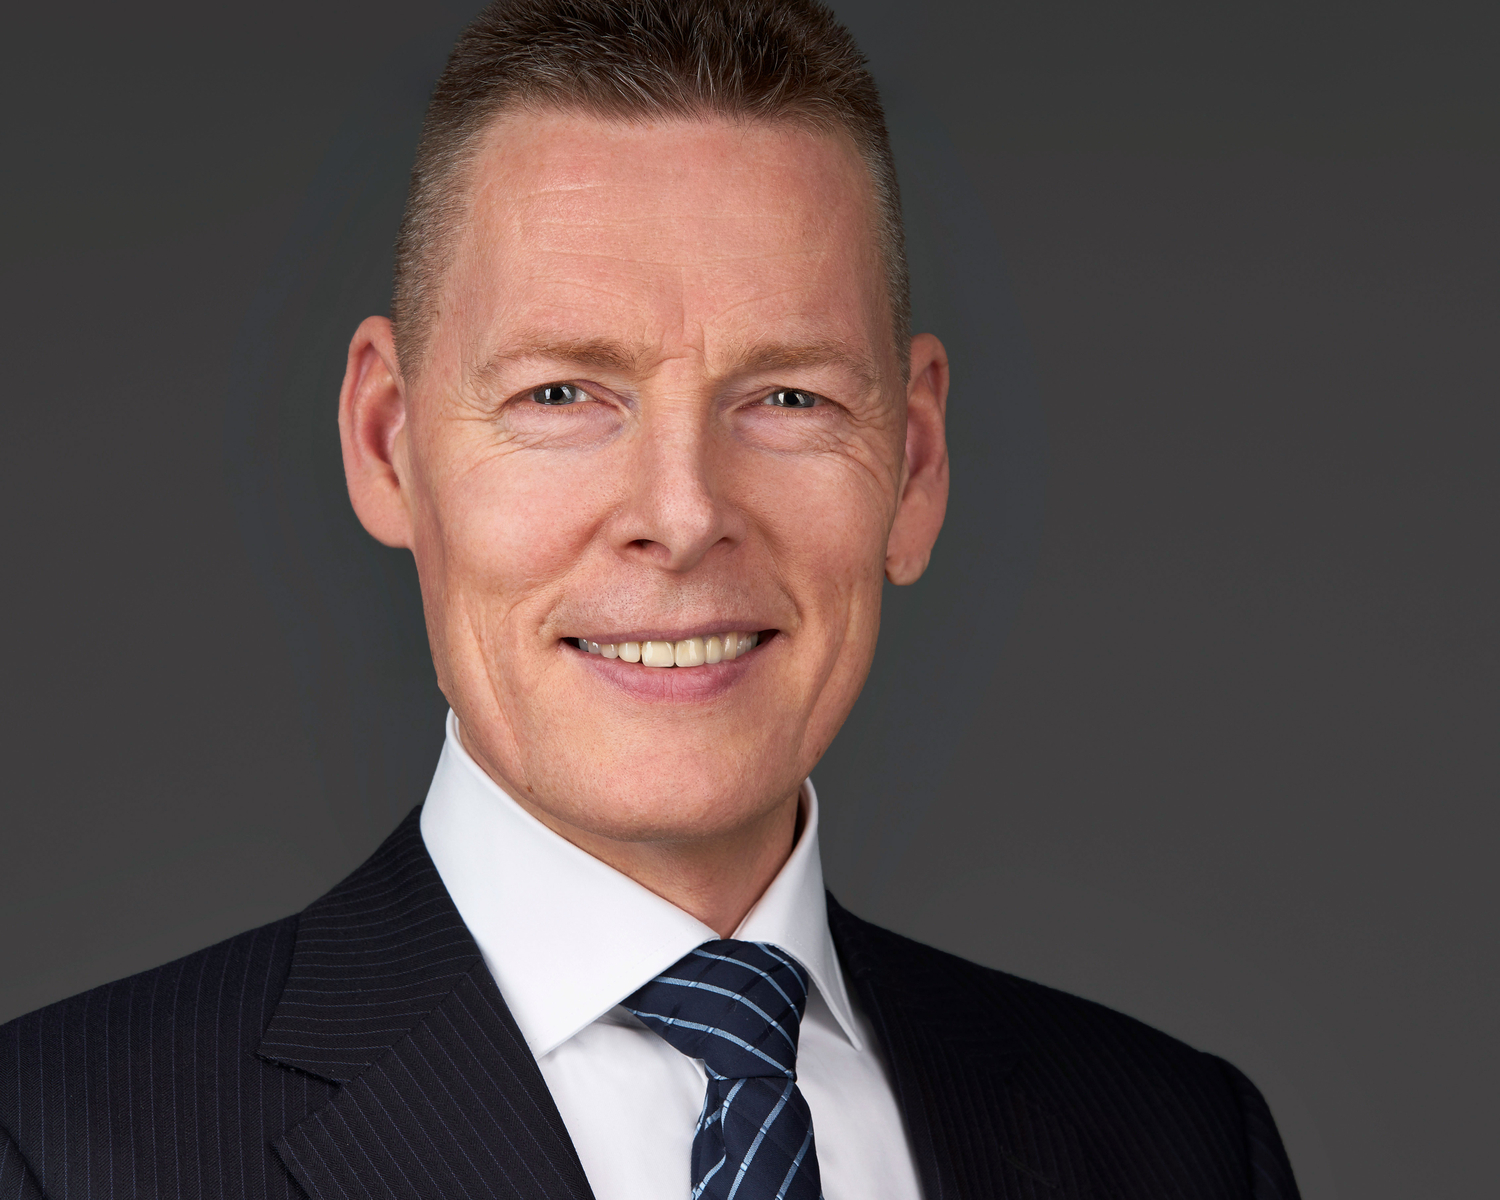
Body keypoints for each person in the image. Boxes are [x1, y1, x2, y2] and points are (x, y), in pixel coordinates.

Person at [0, 2, 1300, 1198]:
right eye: (562, 394)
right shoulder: (57, 1149)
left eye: (788, 397)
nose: (681, 515)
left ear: (914, 463)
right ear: (388, 443)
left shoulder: (1180, 1147)